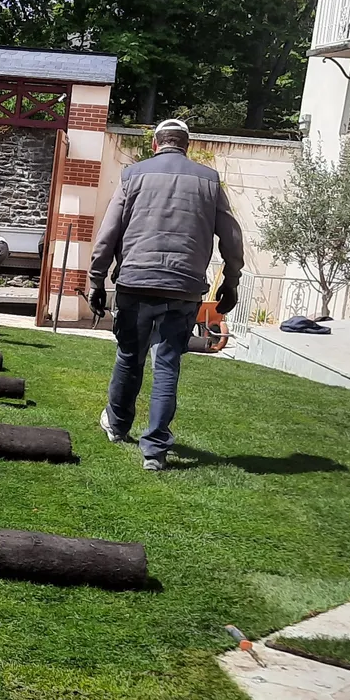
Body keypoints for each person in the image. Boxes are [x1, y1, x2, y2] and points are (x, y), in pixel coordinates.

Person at [88, 118, 244, 471]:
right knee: (168, 363)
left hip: (135, 283)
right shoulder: (209, 180)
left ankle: (117, 424)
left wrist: (96, 280)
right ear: (186, 146)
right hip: (185, 287)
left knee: (129, 355)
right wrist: (231, 281)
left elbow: (108, 232)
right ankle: (155, 451)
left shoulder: (133, 175)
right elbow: (231, 238)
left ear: (156, 144)